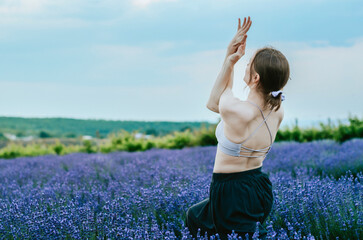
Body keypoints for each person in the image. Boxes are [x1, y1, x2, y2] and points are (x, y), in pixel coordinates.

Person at [184, 16, 290, 240]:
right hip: (257, 185)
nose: (247, 61)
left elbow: (213, 101)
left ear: (255, 77)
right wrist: (230, 59)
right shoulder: (277, 110)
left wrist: (230, 59)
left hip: (232, 192)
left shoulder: (239, 111)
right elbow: (223, 101)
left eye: (249, 61)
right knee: (195, 217)